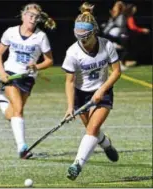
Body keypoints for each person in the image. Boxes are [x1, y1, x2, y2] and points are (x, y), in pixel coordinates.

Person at [61, 2, 121, 180]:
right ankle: (106, 143)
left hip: (103, 92)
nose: (82, 41)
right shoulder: (72, 53)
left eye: (85, 37)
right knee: (92, 130)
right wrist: (70, 107)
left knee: (93, 127)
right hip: (81, 94)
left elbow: (116, 71)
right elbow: (69, 81)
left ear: (94, 31)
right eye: (78, 36)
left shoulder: (107, 46)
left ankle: (77, 164)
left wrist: (102, 90)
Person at [0, 3, 56, 159]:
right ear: (23, 15)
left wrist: (36, 66)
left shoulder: (41, 37)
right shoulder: (11, 32)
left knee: (12, 114)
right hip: (11, 74)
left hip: (27, 78)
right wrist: (2, 72)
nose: (33, 19)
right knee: (18, 109)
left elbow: (49, 60)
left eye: (36, 17)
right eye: (30, 16)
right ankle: (22, 148)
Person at [101, 1, 128, 71]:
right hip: (109, 35)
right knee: (117, 49)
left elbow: (121, 25)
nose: (114, 8)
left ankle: (118, 64)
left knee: (121, 49)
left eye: (116, 6)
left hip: (117, 36)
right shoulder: (114, 16)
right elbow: (109, 27)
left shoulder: (121, 16)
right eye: (114, 6)